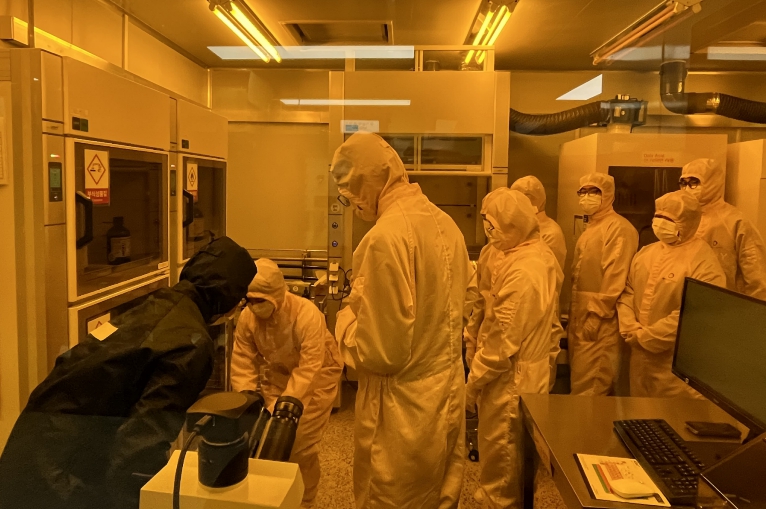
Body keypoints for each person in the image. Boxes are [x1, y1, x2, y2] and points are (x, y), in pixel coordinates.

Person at [0, 237, 256, 509]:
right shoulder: (191, 344)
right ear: (228, 296)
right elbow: (140, 448)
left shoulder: (158, 304)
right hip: (60, 478)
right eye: (241, 300)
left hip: (30, 450)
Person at [331, 132, 471, 509]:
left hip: (402, 410)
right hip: (446, 391)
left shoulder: (385, 237)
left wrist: (345, 322)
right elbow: (465, 301)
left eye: (351, 191)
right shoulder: (446, 224)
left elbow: (381, 353)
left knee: (392, 498)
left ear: (367, 182)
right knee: (441, 493)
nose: (352, 202)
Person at [465, 190, 560, 509]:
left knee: (504, 463)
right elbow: (487, 306)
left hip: (512, 380)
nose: (489, 232)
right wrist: (471, 339)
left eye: (494, 225)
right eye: (486, 223)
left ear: (515, 223)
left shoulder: (527, 268)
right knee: (504, 459)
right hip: (511, 373)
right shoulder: (515, 252)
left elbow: (502, 342)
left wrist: (472, 384)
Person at [231, 258, 343, 508]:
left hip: (318, 377)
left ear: (276, 295)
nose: (253, 306)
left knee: (300, 444)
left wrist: (286, 405)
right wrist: (247, 398)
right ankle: (275, 496)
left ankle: (305, 501)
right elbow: (243, 360)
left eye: (260, 300)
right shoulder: (248, 318)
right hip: (278, 373)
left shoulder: (306, 315)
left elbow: (310, 367)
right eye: (249, 300)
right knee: (267, 439)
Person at [617, 191, 726, 398]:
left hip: (677, 366)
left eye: (669, 219)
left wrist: (647, 337)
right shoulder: (646, 253)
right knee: (639, 412)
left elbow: (694, 316)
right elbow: (628, 292)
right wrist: (630, 326)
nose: (660, 223)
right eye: (658, 216)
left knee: (674, 414)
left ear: (688, 222)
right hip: (638, 357)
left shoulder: (704, 262)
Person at [569, 173, 639, 396]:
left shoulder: (619, 228)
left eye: (594, 191)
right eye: (583, 191)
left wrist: (597, 315)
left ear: (608, 194)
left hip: (601, 322)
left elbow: (615, 277)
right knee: (580, 381)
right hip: (582, 316)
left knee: (590, 388)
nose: (587, 196)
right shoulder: (592, 227)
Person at [680, 158, 766, 300]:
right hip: (686, 299)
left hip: (723, 301)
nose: (687, 188)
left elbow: (756, 274)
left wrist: (755, 308)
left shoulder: (734, 220)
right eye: (683, 183)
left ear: (712, 182)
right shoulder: (681, 217)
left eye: (694, 182)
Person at [464, 188, 509, 371]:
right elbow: (480, 300)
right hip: (487, 342)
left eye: (492, 219)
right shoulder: (488, 252)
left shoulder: (528, 257)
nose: (488, 226)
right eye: (485, 218)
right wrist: (471, 339)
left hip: (513, 349)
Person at [510, 175, 567, 269]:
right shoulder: (522, 228)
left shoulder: (551, 234)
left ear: (536, 200)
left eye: (521, 199)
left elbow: (547, 271)